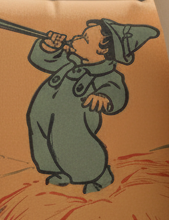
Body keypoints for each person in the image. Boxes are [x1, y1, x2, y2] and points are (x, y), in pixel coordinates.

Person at [26, 17, 159, 193]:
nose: (75, 39)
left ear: (102, 52)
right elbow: (42, 60)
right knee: (44, 139)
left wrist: (104, 97)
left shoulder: (107, 75)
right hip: (44, 117)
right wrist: (49, 47)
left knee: (73, 144)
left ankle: (98, 175)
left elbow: (116, 90)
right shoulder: (70, 60)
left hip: (74, 124)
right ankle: (60, 171)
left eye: (84, 39)